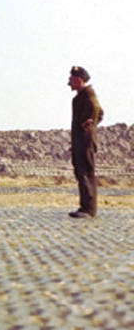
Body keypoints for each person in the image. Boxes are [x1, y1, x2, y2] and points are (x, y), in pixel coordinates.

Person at [68, 66, 103, 218]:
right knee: (81, 172)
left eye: (71, 80)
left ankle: (89, 210)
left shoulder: (89, 96)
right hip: (80, 140)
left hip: (85, 140)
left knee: (86, 173)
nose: (69, 83)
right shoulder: (81, 97)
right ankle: (85, 207)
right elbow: (100, 113)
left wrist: (89, 123)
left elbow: (96, 111)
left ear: (79, 80)